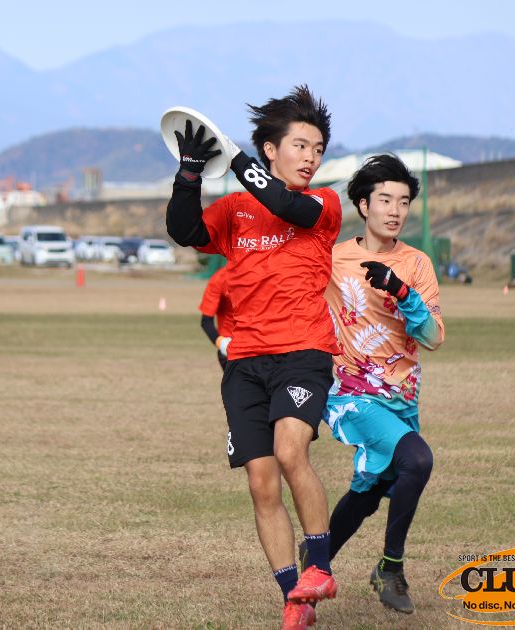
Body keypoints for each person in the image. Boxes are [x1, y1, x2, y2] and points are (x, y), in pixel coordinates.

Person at [166, 85, 341, 629]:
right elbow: (183, 230)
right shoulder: (236, 209)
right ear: (272, 149)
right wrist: (189, 173)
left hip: (303, 352)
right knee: (261, 482)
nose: (311, 157)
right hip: (244, 363)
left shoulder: (323, 204)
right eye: (300, 146)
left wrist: (235, 157)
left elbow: (285, 205)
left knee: (291, 451)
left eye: (318, 149)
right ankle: (295, 600)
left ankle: (321, 567)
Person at [320, 154, 445, 614]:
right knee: (418, 459)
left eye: (404, 201)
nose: (395, 210)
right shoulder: (333, 259)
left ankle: (315, 560)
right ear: (363, 205)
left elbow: (433, 337)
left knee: (371, 490)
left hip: (402, 399)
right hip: (351, 394)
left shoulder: (417, 264)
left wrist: (401, 291)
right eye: (386, 200)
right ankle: (391, 567)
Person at [198, 263, 235, 369]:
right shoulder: (220, 278)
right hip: (232, 347)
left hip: (263, 346)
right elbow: (206, 321)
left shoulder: (264, 275)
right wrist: (222, 344)